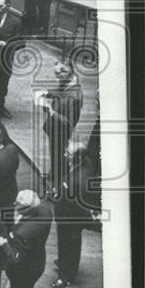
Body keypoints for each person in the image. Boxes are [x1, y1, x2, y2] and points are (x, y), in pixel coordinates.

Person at [0, 190, 53, 288]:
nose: (14, 204)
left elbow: (15, 258)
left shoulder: (23, 233)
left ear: (25, 210)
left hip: (23, 272)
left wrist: (4, 243)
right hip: (37, 260)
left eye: (17, 204)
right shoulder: (46, 210)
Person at [50, 142, 100, 288]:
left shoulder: (79, 181)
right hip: (66, 215)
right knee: (67, 243)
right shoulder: (84, 164)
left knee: (69, 244)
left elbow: (79, 204)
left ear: (78, 158)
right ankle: (65, 262)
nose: (65, 155)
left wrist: (58, 193)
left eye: (68, 154)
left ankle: (66, 276)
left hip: (71, 218)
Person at [38, 59, 83, 192]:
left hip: (61, 130)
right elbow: (59, 91)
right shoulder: (67, 82)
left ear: (66, 73)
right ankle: (54, 173)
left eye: (57, 74)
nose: (56, 77)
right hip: (55, 128)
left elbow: (68, 122)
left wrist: (50, 112)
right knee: (55, 153)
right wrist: (47, 92)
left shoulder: (74, 96)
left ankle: (57, 182)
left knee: (58, 153)